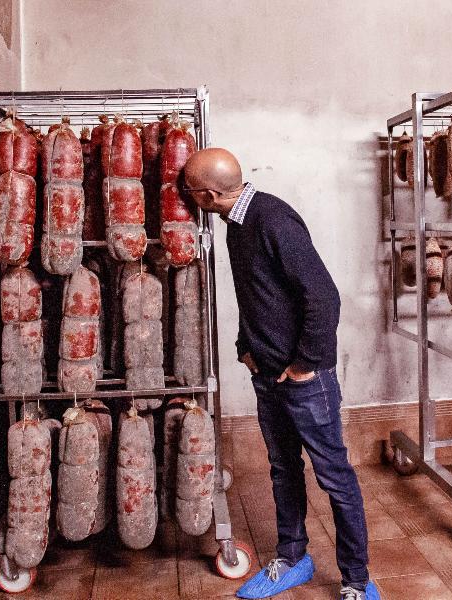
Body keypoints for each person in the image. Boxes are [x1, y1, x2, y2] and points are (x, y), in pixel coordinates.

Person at [182, 148, 379, 600]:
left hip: (305, 381)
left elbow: (324, 297)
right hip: (268, 376)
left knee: (335, 478)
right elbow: (257, 295)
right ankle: (293, 559)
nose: (188, 200)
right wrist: (245, 350)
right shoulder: (236, 224)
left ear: (210, 194)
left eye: (191, 194)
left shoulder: (272, 220)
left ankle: (356, 582)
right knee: (282, 469)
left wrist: (304, 367)